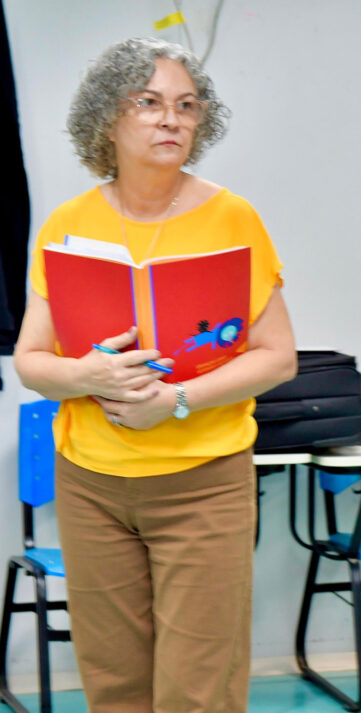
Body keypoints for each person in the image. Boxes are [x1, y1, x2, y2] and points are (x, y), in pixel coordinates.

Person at [13, 37, 297, 713]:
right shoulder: (66, 226)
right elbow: (31, 361)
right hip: (91, 486)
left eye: (187, 105)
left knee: (197, 691)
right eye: (149, 102)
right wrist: (89, 375)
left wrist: (174, 399)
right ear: (109, 117)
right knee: (113, 685)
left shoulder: (232, 217)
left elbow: (278, 355)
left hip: (203, 483)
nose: (172, 118)